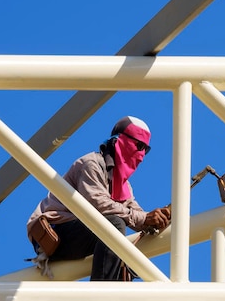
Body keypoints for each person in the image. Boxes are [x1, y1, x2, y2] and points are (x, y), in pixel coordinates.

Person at [26, 115, 171, 280]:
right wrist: (144, 218)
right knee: (115, 224)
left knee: (122, 251)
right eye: (139, 145)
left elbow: (134, 212)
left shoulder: (123, 184)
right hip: (56, 232)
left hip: (81, 233)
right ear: (119, 141)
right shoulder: (91, 164)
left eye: (146, 149)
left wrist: (158, 218)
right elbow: (98, 205)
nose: (142, 155)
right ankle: (102, 291)